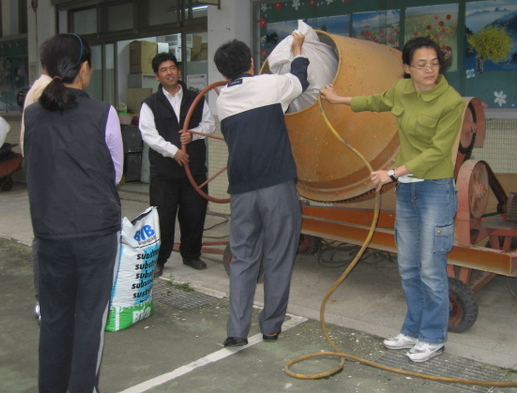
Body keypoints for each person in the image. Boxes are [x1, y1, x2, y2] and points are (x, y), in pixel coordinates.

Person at [320, 36, 464, 363]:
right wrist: (338, 99)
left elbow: (438, 152)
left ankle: (433, 337)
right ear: (407, 68)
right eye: (421, 64)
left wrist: (393, 173)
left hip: (434, 190)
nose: (429, 70)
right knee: (409, 268)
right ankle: (412, 330)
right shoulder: (401, 91)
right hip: (408, 190)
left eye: (434, 63)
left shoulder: (450, 101)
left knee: (430, 269)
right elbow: (374, 100)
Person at [23, 33, 124, 392]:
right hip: (95, 235)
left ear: (49, 71)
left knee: (54, 320)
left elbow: (34, 166)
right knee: (89, 323)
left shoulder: (32, 115)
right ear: (83, 68)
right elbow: (114, 172)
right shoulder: (103, 113)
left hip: (49, 235)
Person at [213, 34, 308, 347]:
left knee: (243, 259)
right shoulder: (271, 85)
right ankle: (270, 327)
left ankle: (237, 331)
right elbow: (300, 80)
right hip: (276, 186)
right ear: (252, 62)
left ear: (224, 75)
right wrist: (297, 52)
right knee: (278, 255)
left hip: (241, 191)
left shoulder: (222, 101)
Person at [139, 52, 216, 277]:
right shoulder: (149, 104)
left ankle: (191, 254)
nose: (169, 72)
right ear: (156, 76)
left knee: (195, 213)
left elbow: (209, 124)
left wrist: (194, 135)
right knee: (163, 216)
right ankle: (159, 259)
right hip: (165, 173)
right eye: (163, 70)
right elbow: (148, 134)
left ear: (179, 71)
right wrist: (174, 152)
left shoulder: (197, 97)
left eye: (172, 67)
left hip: (194, 169)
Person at [20, 42, 52, 323]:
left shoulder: (42, 88)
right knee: (45, 240)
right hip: (48, 177)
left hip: (44, 175)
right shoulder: (46, 90)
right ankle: (44, 301)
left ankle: (49, 300)